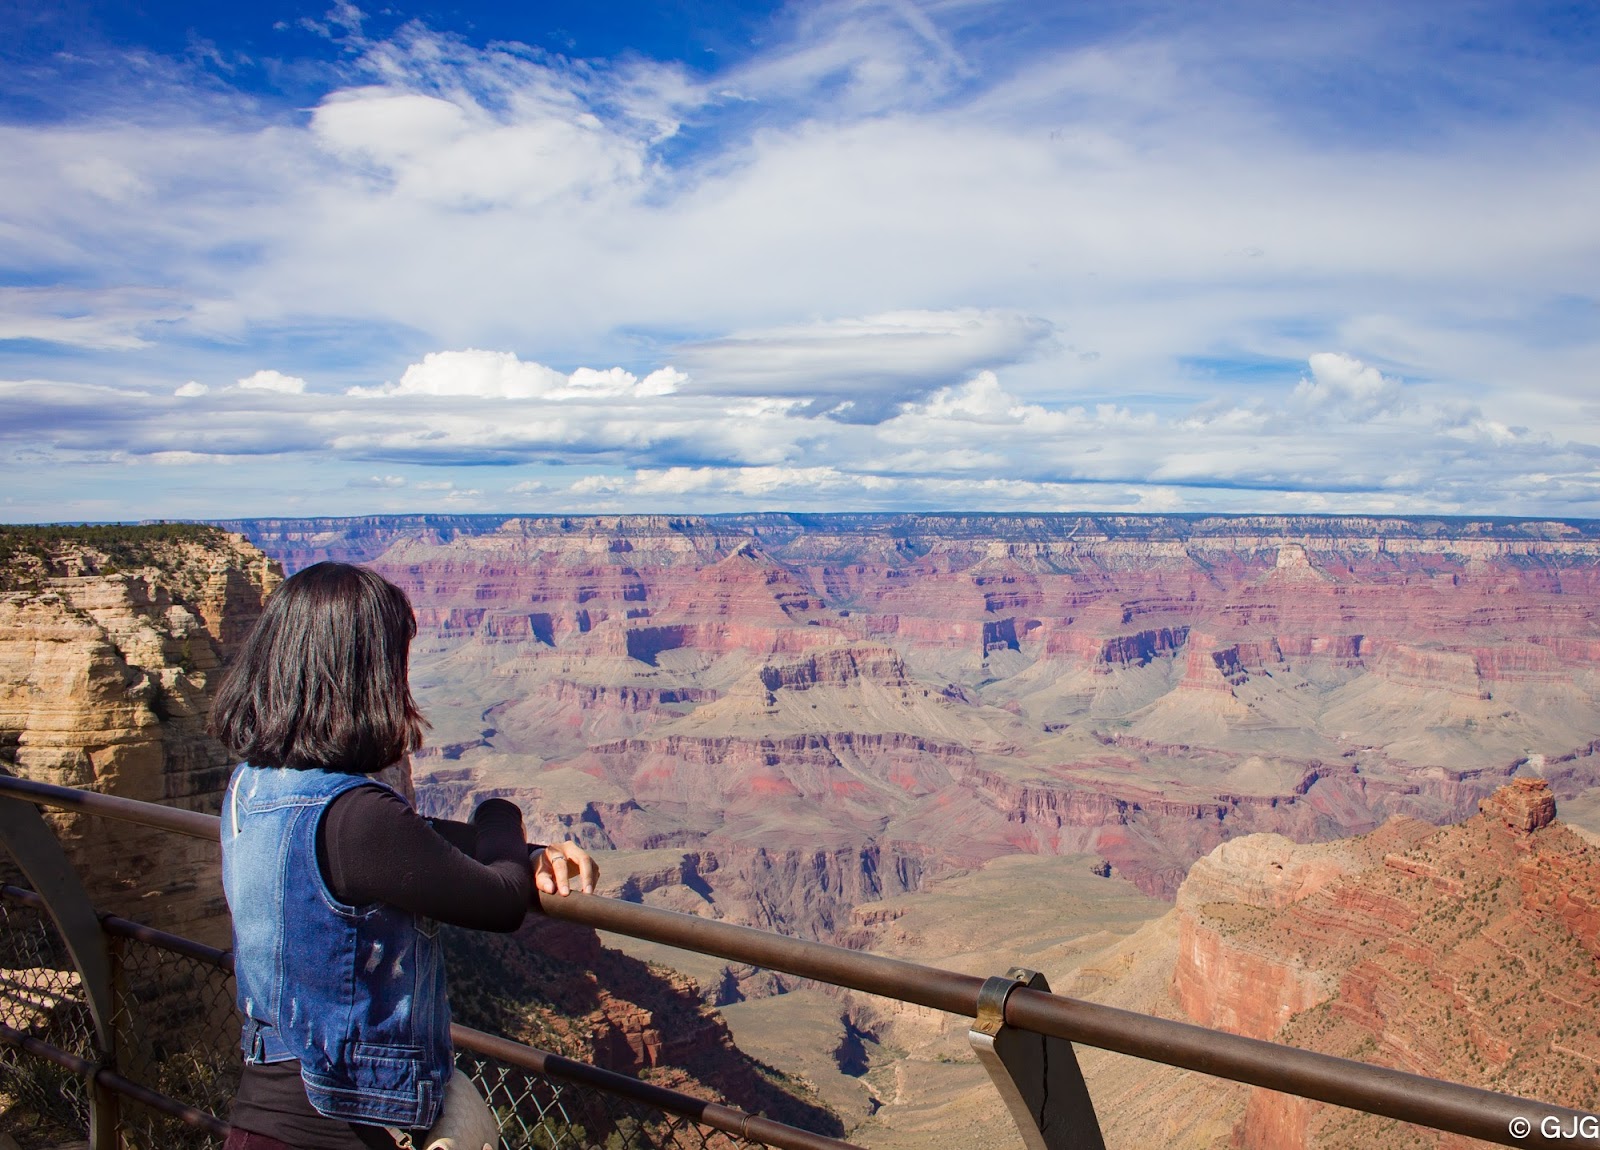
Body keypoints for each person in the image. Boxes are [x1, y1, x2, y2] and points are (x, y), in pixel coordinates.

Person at [210, 561, 597, 1150]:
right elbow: (499, 901)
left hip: (265, 1111)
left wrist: (527, 852)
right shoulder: (356, 818)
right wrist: (500, 814)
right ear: (361, 671)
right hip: (339, 1125)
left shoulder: (253, 786)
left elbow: (409, 843)